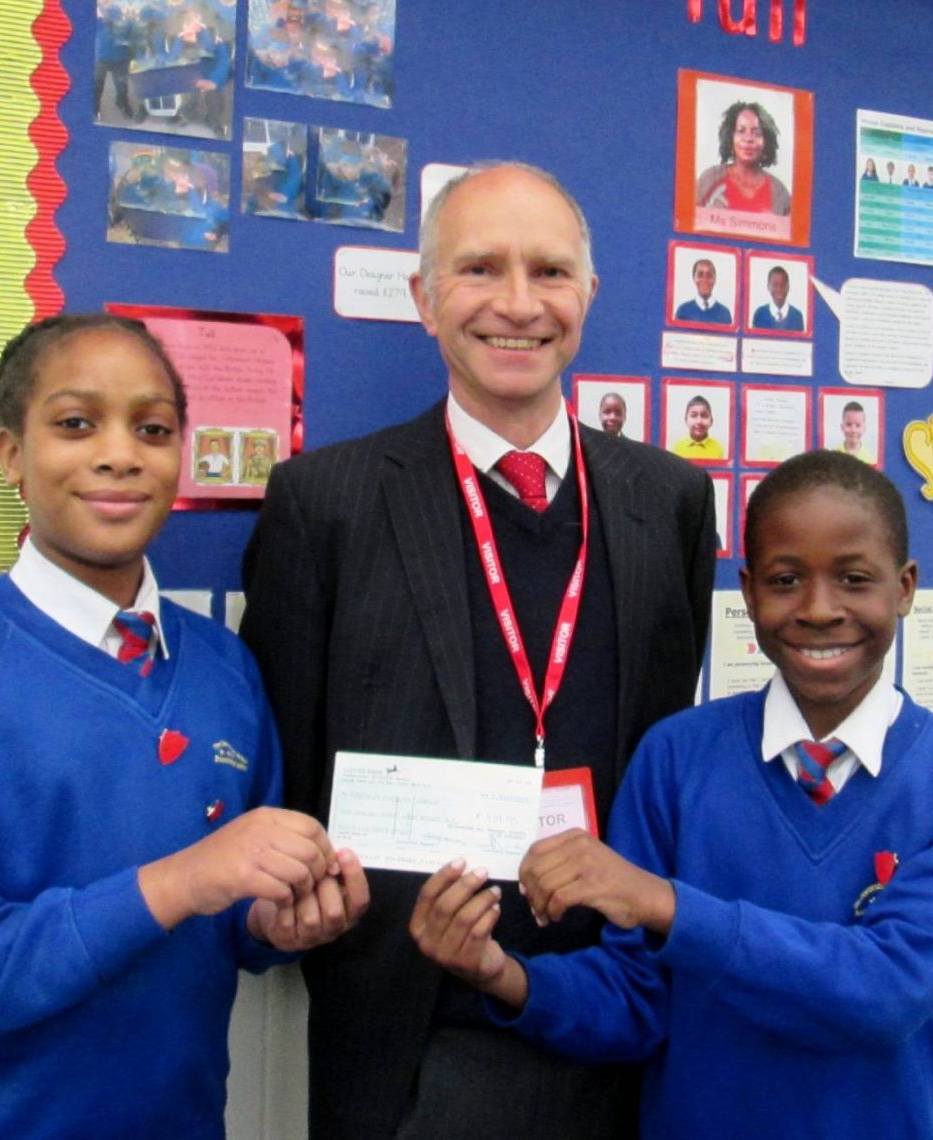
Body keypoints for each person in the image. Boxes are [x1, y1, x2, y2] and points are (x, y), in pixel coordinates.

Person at [240, 162, 716, 1140]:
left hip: (619, 1015)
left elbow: (665, 748)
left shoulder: (668, 499)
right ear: (424, 298)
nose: (518, 303)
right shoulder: (324, 504)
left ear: (588, 294)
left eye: (549, 271)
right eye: (479, 268)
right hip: (408, 1035)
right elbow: (285, 764)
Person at [0, 314, 369, 1139]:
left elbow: (233, 918)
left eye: (152, 429)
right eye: (77, 423)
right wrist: (179, 881)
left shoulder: (223, 667)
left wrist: (277, 922)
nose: (120, 454)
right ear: (13, 454)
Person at [411, 450, 933, 1140]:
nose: (820, 610)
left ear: (905, 587)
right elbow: (636, 1001)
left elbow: (885, 991)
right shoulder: (676, 757)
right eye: (786, 580)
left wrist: (664, 904)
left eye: (854, 579)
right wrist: (500, 973)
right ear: (750, 592)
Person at [695, 100, 790, 216]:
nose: (748, 138)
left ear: (767, 141)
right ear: (730, 137)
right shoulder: (709, 179)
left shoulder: (780, 194)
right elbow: (685, 218)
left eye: (756, 133)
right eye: (741, 131)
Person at [674, 257, 733, 324]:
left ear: (714, 279)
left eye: (709, 275)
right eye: (700, 275)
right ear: (694, 278)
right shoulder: (683, 311)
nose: (705, 279)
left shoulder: (724, 313)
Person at [750, 264, 804, 331]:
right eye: (775, 285)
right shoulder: (760, 314)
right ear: (768, 287)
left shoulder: (797, 316)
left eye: (782, 285)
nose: (779, 289)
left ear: (788, 287)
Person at [672, 394, 725, 460]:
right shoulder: (678, 448)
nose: (699, 421)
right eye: (693, 416)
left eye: (704, 416)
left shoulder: (718, 448)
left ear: (711, 421)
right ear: (686, 420)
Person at [835, 399, 875, 463]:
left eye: (858, 425)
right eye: (848, 424)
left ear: (864, 429)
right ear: (842, 427)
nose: (853, 430)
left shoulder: (870, 459)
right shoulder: (835, 455)